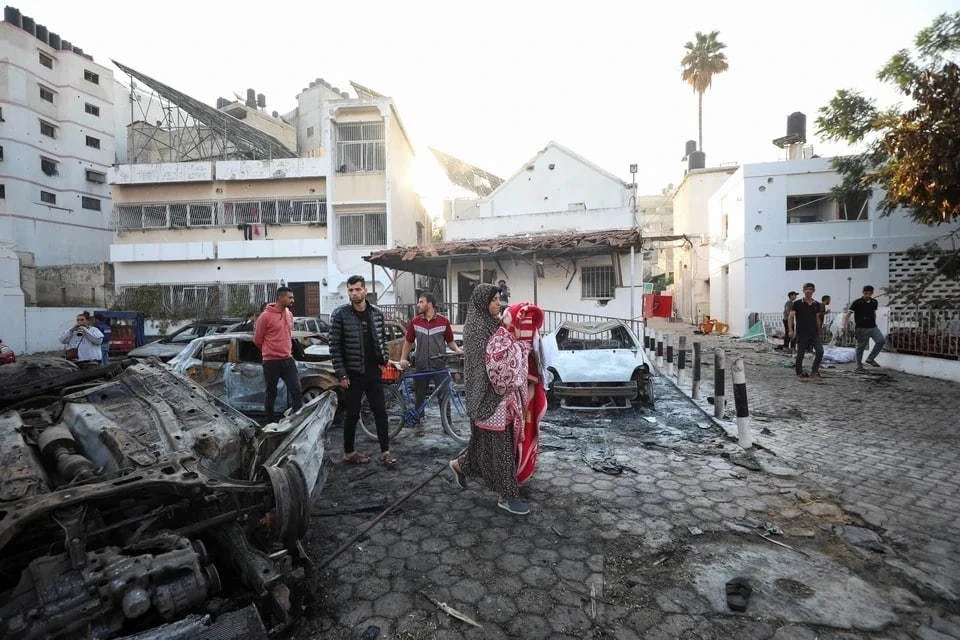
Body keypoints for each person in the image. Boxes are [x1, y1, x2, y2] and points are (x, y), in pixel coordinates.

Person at [448, 284, 532, 515]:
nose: (498, 303)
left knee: (483, 446)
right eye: (494, 299)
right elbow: (489, 364)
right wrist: (516, 352)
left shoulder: (495, 324)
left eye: (498, 299)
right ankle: (507, 495)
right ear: (482, 302)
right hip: (485, 396)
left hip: (500, 394)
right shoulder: (476, 328)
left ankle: (459, 465)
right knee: (501, 447)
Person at [330, 275, 396, 466]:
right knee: (352, 414)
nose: (354, 293)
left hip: (373, 372)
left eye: (358, 289)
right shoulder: (340, 315)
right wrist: (341, 374)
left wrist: (384, 359)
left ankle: (386, 452)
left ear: (365, 290)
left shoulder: (376, 313)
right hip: (352, 373)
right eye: (350, 290)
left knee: (380, 412)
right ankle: (349, 452)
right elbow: (334, 347)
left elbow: (382, 339)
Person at [398, 292, 463, 435]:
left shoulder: (443, 321)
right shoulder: (415, 321)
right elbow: (408, 342)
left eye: (421, 302)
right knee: (420, 396)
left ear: (430, 304)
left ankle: (447, 425)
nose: (418, 304)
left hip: (439, 365)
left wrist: (457, 350)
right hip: (421, 365)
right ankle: (418, 424)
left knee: (444, 395)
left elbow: (450, 341)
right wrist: (403, 358)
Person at [253, 286, 303, 423]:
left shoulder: (289, 314)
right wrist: (269, 351)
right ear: (280, 298)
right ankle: (270, 423)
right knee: (271, 392)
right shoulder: (265, 317)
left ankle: (298, 422)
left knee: (297, 391)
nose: (293, 300)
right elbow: (257, 340)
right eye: (290, 297)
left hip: (288, 359)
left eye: (293, 297)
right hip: (271, 361)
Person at [843, 285, 886, 372]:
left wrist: (875, 323)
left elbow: (873, 313)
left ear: (872, 293)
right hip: (861, 328)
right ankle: (859, 366)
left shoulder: (874, 302)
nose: (867, 295)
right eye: (866, 293)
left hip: (872, 326)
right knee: (860, 347)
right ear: (863, 292)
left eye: (869, 293)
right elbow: (848, 315)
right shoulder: (857, 302)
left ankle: (870, 359)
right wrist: (844, 325)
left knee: (881, 341)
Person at [788, 282, 823, 381]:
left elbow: (817, 318)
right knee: (801, 353)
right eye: (806, 289)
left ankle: (814, 372)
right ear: (803, 291)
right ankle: (799, 373)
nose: (808, 291)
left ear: (813, 291)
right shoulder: (797, 303)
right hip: (801, 332)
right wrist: (790, 330)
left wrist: (820, 331)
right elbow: (791, 317)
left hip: (814, 333)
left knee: (820, 351)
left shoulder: (816, 304)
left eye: (811, 289)